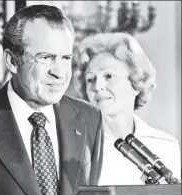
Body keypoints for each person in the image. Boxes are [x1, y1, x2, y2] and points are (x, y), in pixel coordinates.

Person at [0, 5, 104, 195]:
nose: (60, 72)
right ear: (12, 61)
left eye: (66, 58)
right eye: (46, 58)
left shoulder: (90, 119)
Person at [73, 32, 181, 185]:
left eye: (108, 76)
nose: (97, 86)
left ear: (136, 83)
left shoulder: (166, 146)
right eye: (90, 79)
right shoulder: (75, 146)